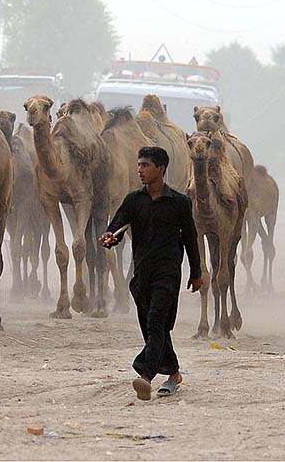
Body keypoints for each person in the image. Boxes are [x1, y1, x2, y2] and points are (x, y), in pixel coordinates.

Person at [98, 146, 203, 401]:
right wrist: (110, 238)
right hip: (141, 274)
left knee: (157, 319)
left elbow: (190, 238)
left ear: (161, 169)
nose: (140, 170)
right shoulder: (134, 200)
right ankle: (174, 374)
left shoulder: (179, 202)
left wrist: (196, 272)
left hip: (167, 273)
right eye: (139, 165)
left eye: (145, 165)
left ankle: (144, 375)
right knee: (152, 327)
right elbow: (118, 226)